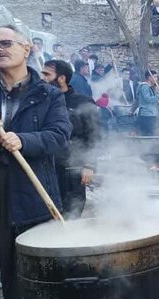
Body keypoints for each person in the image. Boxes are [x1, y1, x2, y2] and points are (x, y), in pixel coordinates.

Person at [0, 24, 72, 299]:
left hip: (27, 201)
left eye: (5, 43)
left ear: (27, 48)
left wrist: (24, 140)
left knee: (23, 291)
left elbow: (59, 136)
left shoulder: (48, 95)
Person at [41, 59, 100, 219]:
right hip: (47, 168)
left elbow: (93, 135)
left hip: (73, 167)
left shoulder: (83, 102)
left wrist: (89, 165)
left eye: (47, 74)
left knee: (71, 214)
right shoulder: (41, 102)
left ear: (61, 78)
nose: (42, 77)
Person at [131, 70, 159, 136]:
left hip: (151, 114)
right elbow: (147, 99)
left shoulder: (150, 87)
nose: (156, 79)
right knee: (147, 135)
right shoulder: (145, 87)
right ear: (149, 77)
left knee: (151, 134)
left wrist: (158, 101)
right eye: (155, 77)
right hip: (147, 115)